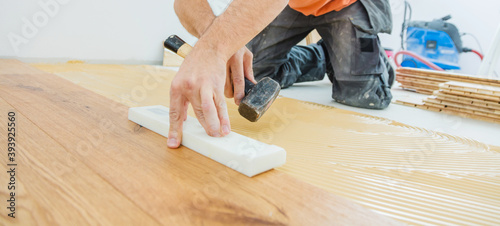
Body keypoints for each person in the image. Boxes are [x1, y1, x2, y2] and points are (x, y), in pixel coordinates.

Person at [168, 0, 394, 148]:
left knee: (364, 95)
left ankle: (363, 62)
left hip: (346, 3)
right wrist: (219, 44)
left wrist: (214, 49)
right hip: (294, 4)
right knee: (252, 71)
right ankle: (326, 55)